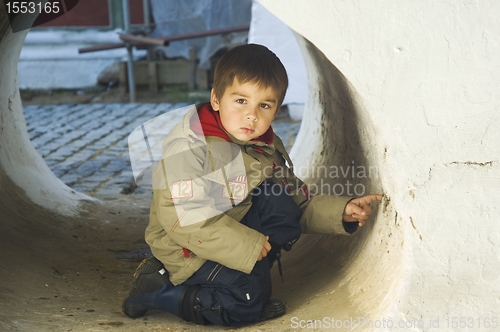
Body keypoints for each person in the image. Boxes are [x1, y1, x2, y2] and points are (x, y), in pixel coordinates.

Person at [122, 43, 382, 326]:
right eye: (241, 101)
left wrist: (340, 212)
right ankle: (156, 290)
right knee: (243, 306)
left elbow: (295, 199)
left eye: (264, 105)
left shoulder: (263, 146)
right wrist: (246, 245)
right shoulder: (190, 148)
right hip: (185, 247)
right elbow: (184, 220)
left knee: (280, 206)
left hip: (226, 231)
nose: (252, 115)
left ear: (276, 109)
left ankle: (243, 284)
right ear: (216, 99)